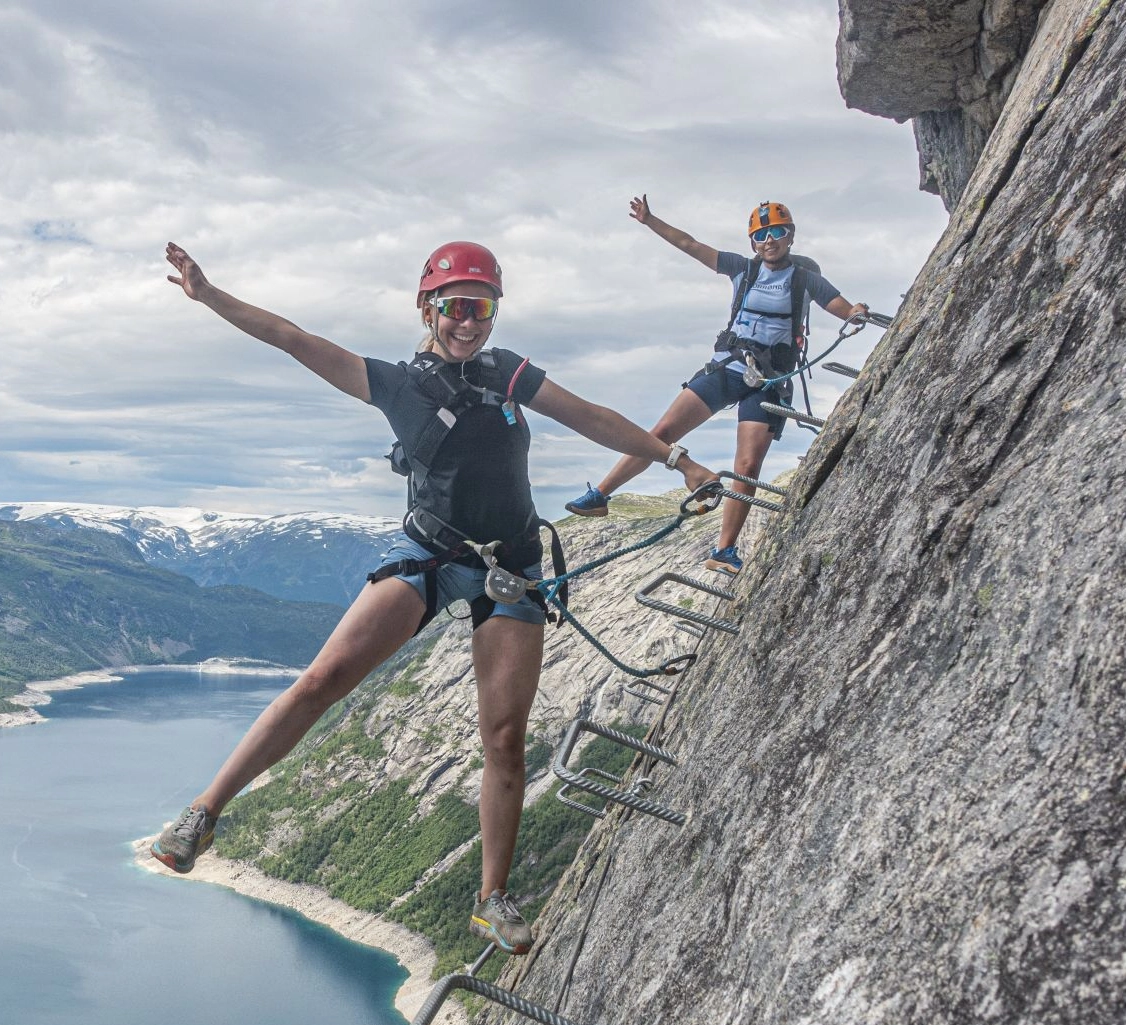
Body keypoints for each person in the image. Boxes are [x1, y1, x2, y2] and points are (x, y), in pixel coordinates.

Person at [149, 240, 717, 955]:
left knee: (504, 741)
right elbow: (293, 338)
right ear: (429, 308)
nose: (468, 322)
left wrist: (678, 459)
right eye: (455, 307)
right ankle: (204, 814)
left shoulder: (509, 373)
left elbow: (589, 415)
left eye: (480, 307)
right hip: (428, 555)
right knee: (322, 679)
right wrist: (211, 296)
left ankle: (491, 899)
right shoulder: (394, 383)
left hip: (510, 565)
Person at [565, 196, 869, 574]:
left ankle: (723, 551)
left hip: (770, 380)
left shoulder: (806, 279)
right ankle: (601, 494)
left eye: (777, 232)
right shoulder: (743, 268)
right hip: (729, 366)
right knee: (661, 432)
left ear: (790, 236)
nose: (769, 240)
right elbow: (690, 245)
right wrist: (650, 221)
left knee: (747, 464)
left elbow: (837, 303)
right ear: (753, 241)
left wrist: (855, 312)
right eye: (761, 234)